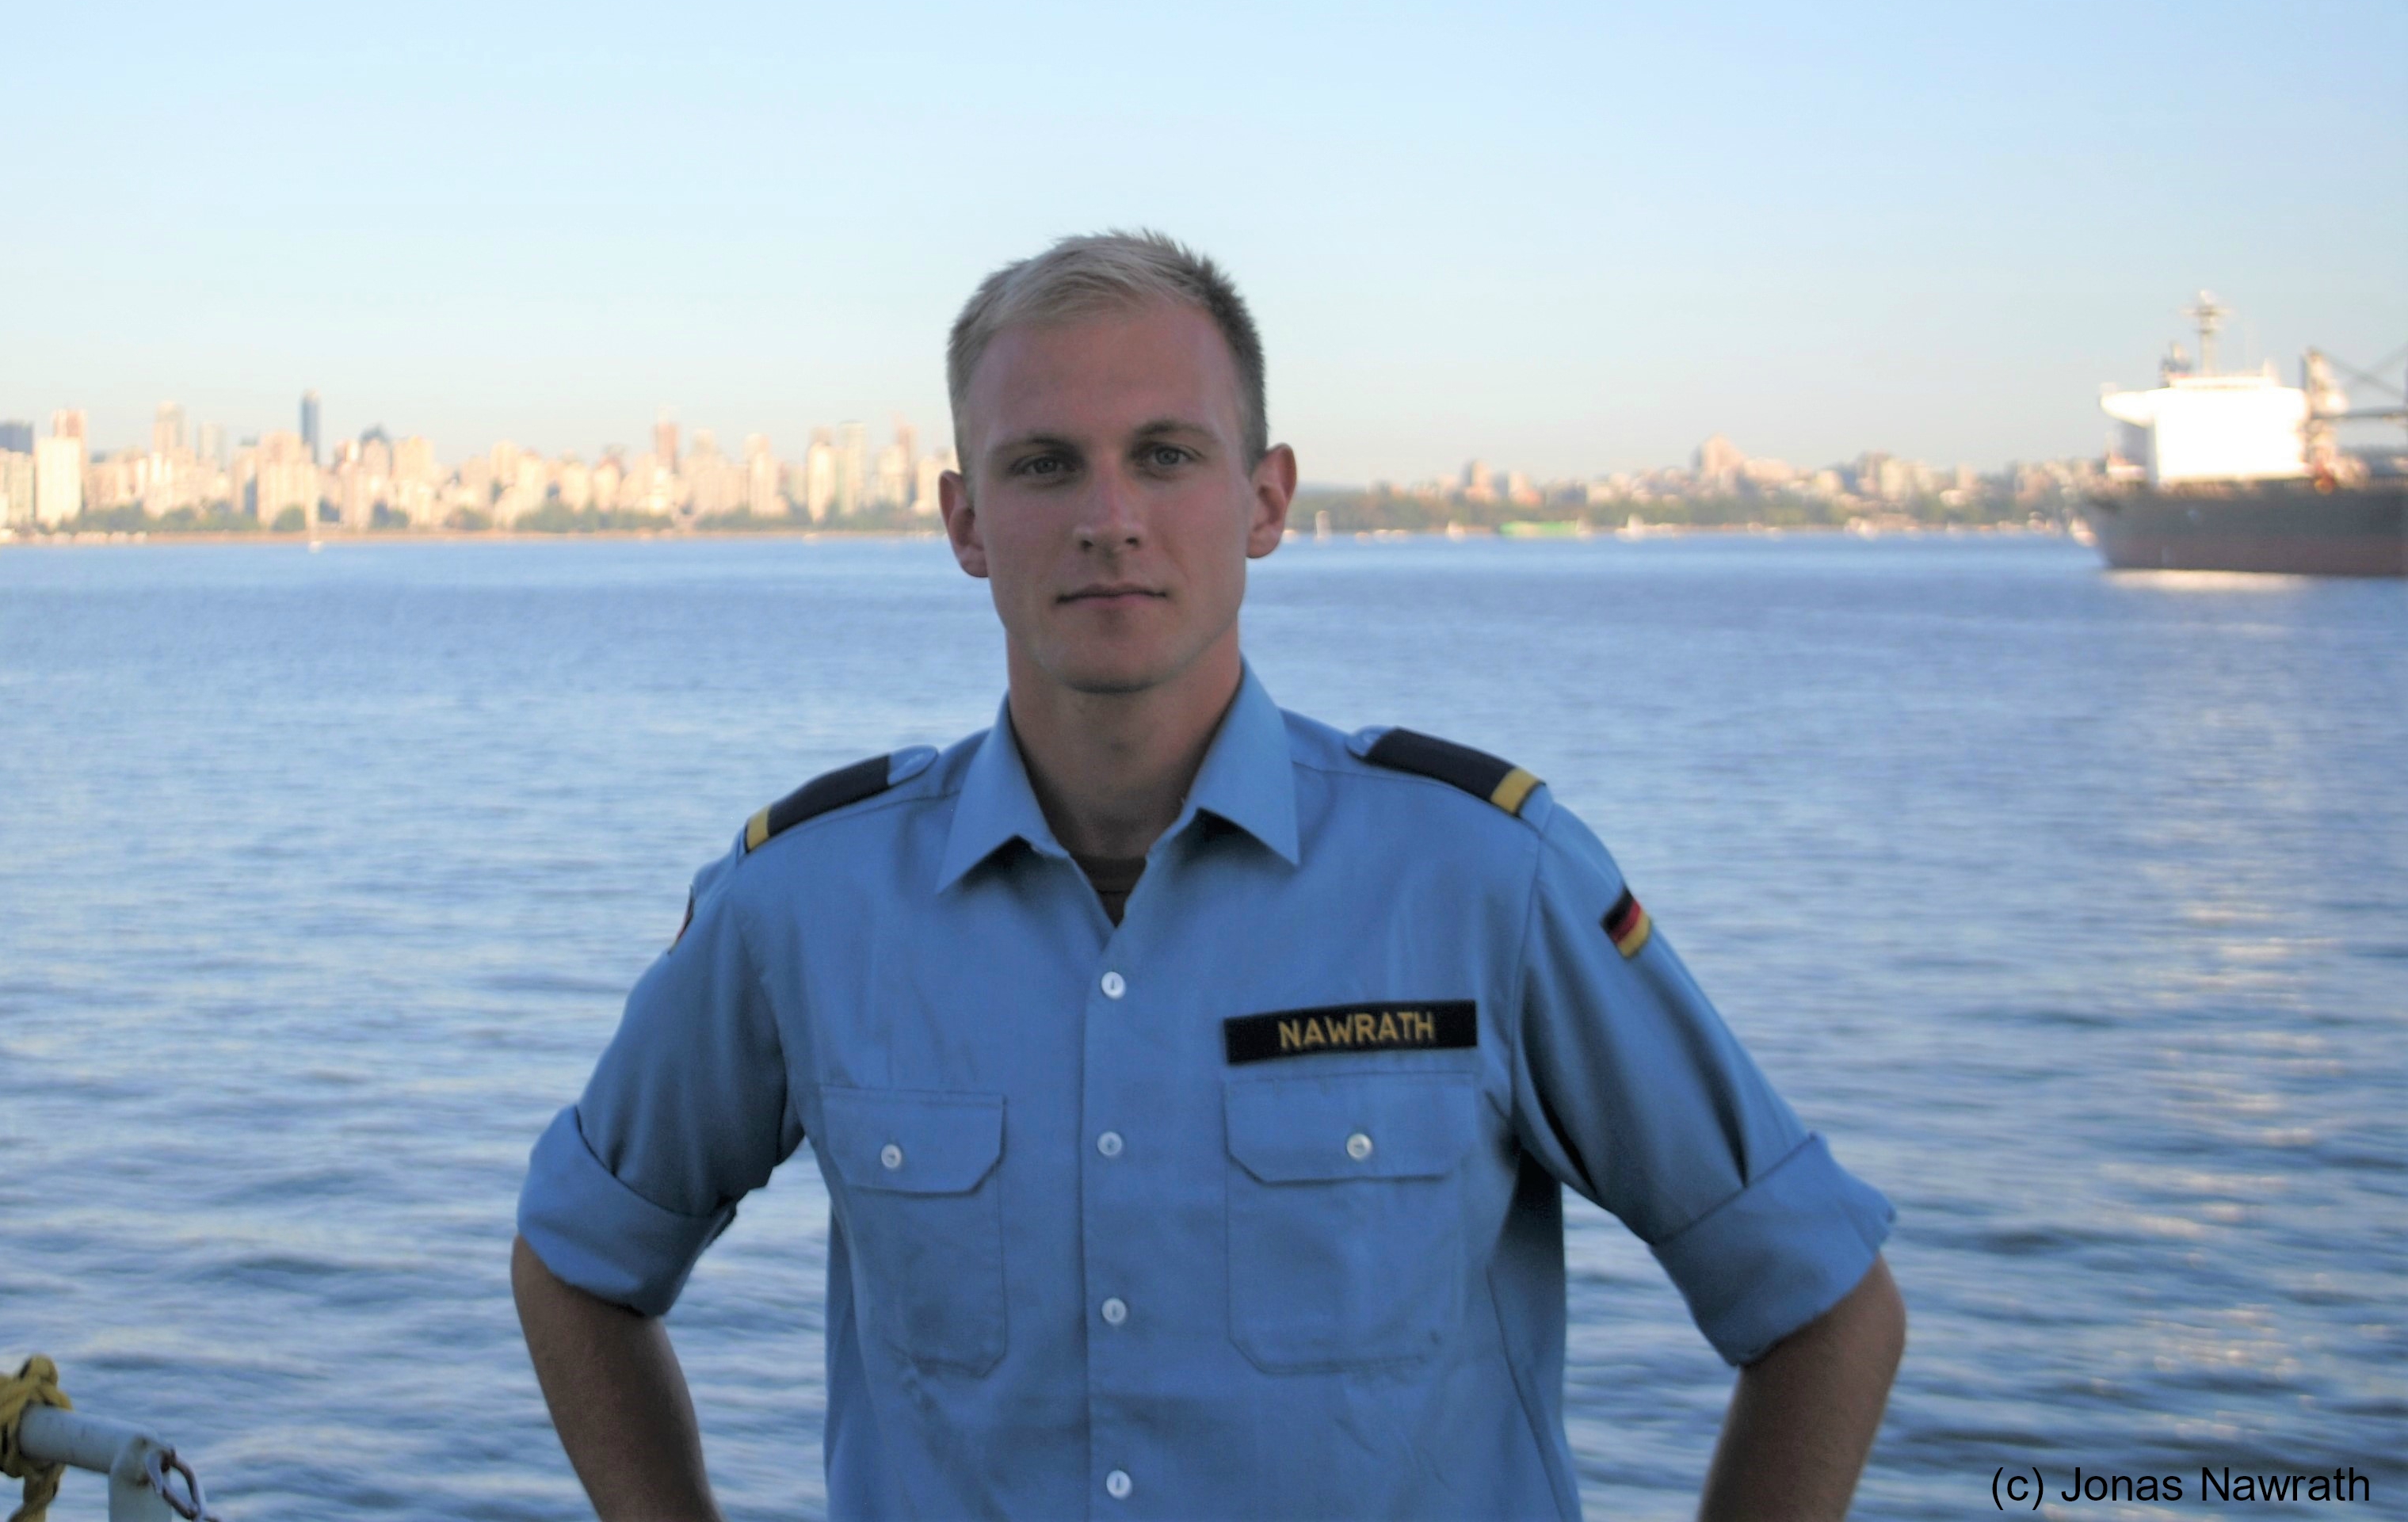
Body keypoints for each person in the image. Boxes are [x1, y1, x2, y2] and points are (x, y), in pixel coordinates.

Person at [512, 231, 1904, 1520]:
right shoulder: (805, 909)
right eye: (1045, 464)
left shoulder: (1484, 881)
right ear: (964, 522)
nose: (1110, 515)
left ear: (1266, 499)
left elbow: (1823, 1304)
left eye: (1166, 454)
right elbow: (579, 1263)